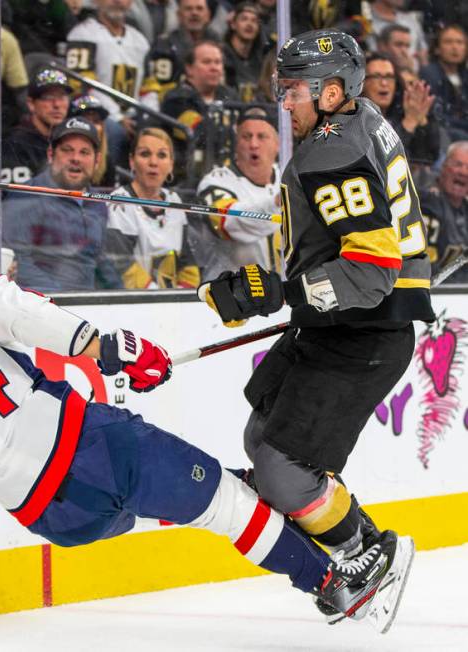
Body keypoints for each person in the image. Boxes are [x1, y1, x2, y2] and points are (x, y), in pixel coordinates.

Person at [0, 237, 413, 633]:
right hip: (90, 447)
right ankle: (337, 585)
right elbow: (30, 316)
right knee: (224, 504)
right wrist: (112, 348)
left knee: (209, 492)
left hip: (51, 518)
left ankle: (298, 537)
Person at [199, 29, 428, 622]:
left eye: (294, 89)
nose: (285, 100)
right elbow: (340, 216)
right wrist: (275, 210)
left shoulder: (330, 151)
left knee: (279, 468)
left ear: (332, 92)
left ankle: (363, 554)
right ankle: (350, 536)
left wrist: (279, 291)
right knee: (260, 439)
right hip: (344, 323)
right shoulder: (362, 118)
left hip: (364, 330)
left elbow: (374, 271)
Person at [3, 117, 120, 292]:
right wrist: (65, 300)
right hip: (41, 305)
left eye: (84, 152)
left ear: (97, 161)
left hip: (90, 305)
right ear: (51, 154)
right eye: (67, 150)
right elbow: (19, 262)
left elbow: (100, 260)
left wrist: (124, 295)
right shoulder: (25, 196)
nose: (75, 158)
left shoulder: (98, 203)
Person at [193, 107, 281, 280]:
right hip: (230, 295)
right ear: (236, 143)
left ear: (277, 144)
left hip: (284, 295)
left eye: (262, 136)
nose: (254, 144)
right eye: (246, 137)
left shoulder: (289, 177)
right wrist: (277, 203)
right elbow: (228, 223)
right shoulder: (215, 182)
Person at [105, 126, 198, 289]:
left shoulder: (174, 201)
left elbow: (187, 262)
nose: (153, 162)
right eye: (145, 154)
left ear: (171, 164)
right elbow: (122, 267)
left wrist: (184, 297)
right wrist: (161, 300)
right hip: (136, 305)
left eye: (162, 155)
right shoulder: (118, 204)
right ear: (132, 161)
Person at [159, 40, 237, 185]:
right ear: (189, 68)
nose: (214, 68)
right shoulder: (176, 99)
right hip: (186, 179)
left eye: (218, 62)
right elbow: (201, 134)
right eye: (207, 62)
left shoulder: (231, 96)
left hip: (229, 175)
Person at [361, 52, 442, 168]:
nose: (384, 83)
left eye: (389, 77)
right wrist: (410, 122)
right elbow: (380, 158)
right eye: (376, 76)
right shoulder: (356, 118)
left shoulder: (402, 112)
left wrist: (422, 120)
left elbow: (429, 157)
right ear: (362, 82)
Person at [0, 67, 72, 185]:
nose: (57, 104)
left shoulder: (71, 140)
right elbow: (16, 198)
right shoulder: (14, 144)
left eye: (62, 97)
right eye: (48, 97)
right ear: (31, 104)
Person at [420, 141, 468, 284]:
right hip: (433, 293)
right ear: (443, 166)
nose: (464, 172)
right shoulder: (427, 203)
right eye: (458, 164)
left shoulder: (465, 209)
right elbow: (426, 266)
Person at [420, 24, 468, 142]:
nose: (455, 47)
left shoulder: (465, 75)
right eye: (448, 42)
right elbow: (438, 115)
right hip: (442, 133)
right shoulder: (429, 74)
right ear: (437, 48)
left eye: (460, 42)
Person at [221, 1, 266, 102]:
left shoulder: (261, 59)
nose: (249, 24)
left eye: (254, 21)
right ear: (233, 24)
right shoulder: (220, 55)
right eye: (244, 19)